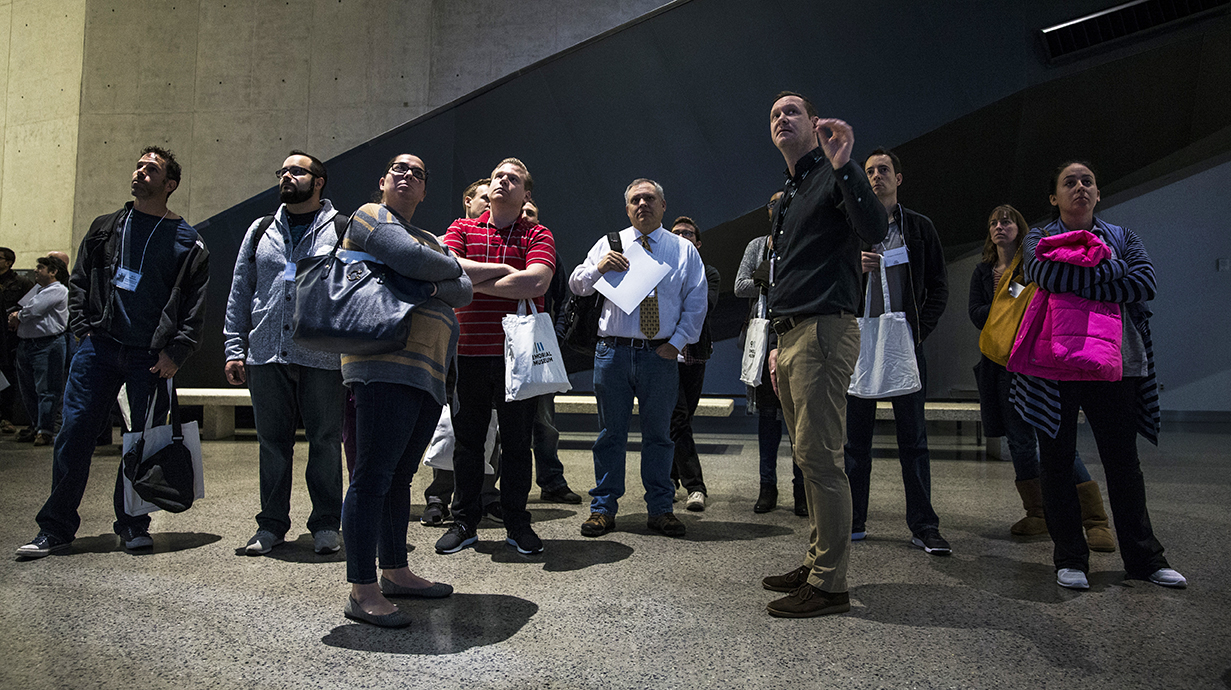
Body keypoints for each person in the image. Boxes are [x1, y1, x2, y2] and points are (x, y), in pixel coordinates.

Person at [15, 146, 210, 558]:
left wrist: (177, 351)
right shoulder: (106, 226)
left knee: (144, 442)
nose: (140, 171)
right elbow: (80, 283)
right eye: (139, 165)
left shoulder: (188, 241)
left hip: (150, 357)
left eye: (151, 168)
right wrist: (84, 333)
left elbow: (195, 306)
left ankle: (134, 524)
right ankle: (56, 527)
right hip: (98, 349)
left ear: (169, 184)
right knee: (73, 434)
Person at [1013, 161, 1185, 591]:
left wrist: (1081, 278)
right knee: (1056, 462)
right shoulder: (1039, 237)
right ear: (1054, 197)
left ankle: (1145, 559)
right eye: (1069, 183)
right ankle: (1070, 558)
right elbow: (1044, 273)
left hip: (1117, 364)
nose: (1080, 188)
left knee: (1123, 463)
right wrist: (1109, 271)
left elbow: (1145, 282)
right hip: (1056, 366)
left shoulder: (1124, 237)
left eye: (1087, 181)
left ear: (1098, 193)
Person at [760, 92, 887, 617]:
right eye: (774, 116)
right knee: (807, 457)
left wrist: (846, 164)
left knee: (822, 459)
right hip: (791, 334)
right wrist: (773, 342)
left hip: (823, 330)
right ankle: (817, 560)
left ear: (814, 125)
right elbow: (782, 275)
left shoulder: (833, 175)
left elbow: (875, 228)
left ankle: (831, 583)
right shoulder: (788, 193)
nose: (782, 119)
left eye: (792, 112)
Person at [340, 154, 471, 628]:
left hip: (426, 372)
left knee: (398, 478)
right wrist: (439, 274)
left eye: (418, 172)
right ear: (383, 180)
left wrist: (430, 282)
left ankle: (396, 571)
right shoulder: (371, 217)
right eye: (398, 168)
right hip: (381, 367)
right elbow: (414, 260)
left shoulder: (432, 238)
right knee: (372, 477)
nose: (408, 175)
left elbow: (463, 292)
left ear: (424, 190)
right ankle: (362, 588)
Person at [223, 150, 347, 556]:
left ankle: (327, 523)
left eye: (297, 171)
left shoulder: (341, 228)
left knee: (325, 441)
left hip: (323, 355)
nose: (288, 176)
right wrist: (233, 347)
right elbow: (241, 289)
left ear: (319, 181)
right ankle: (271, 525)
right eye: (284, 171)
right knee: (272, 444)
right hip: (265, 352)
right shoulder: (260, 229)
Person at [569, 179, 708, 538]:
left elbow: (696, 301)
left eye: (650, 199)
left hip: (659, 355)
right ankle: (603, 508)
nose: (642, 204)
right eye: (635, 200)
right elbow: (577, 285)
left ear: (663, 206)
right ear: (627, 208)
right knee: (609, 434)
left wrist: (676, 344)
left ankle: (660, 508)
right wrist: (599, 267)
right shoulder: (609, 243)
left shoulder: (682, 250)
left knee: (660, 436)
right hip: (612, 352)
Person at [969, 204, 1113, 547]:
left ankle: (1094, 518)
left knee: (1053, 434)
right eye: (993, 222)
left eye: (1005, 221)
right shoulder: (982, 270)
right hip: (999, 363)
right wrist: (1008, 304)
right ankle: (1038, 513)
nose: (999, 227)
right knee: (1018, 440)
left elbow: (1043, 304)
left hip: (1035, 359)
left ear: (1019, 227)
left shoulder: (1032, 264)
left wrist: (1007, 303)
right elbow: (976, 313)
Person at [437, 158, 555, 555]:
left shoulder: (538, 233)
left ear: (526, 194)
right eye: (497, 176)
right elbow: (449, 270)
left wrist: (472, 282)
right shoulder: (462, 227)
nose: (502, 181)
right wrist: (505, 271)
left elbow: (537, 280)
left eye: (513, 178)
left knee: (518, 445)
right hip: (468, 353)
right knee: (467, 445)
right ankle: (465, 520)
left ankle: (517, 522)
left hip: (517, 357)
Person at [843, 148, 951, 554]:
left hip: (905, 342)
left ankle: (924, 525)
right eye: (869, 171)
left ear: (898, 179)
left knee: (914, 440)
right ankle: (853, 521)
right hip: (859, 342)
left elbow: (939, 285)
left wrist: (921, 331)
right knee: (855, 441)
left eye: (883, 170)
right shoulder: (851, 228)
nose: (875, 177)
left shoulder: (919, 228)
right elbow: (834, 280)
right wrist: (858, 266)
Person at [419, 177, 505, 527]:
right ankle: (439, 496)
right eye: (483, 199)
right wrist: (499, 277)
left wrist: (476, 277)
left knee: (492, 428)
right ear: (467, 200)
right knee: (450, 425)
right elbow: (451, 273)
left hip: (496, 346)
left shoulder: (502, 240)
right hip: (453, 347)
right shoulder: (448, 240)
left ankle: (486, 495)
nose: (489, 205)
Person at [735, 191, 805, 515]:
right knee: (768, 419)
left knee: (799, 420)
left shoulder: (802, 241)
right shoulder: (756, 246)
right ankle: (768, 488)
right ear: (767, 212)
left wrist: (775, 281)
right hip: (763, 340)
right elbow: (739, 286)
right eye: (774, 205)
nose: (779, 209)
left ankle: (802, 490)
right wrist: (764, 281)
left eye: (784, 204)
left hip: (796, 335)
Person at [521, 198, 582, 505]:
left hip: (539, 349)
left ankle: (552, 482)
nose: (526, 218)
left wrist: (556, 338)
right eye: (522, 213)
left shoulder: (549, 254)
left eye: (532, 213)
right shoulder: (501, 246)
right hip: (499, 348)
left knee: (544, 422)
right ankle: (492, 490)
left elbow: (564, 301)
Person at [667, 216, 719, 512]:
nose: (682, 236)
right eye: (676, 233)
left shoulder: (708, 272)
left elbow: (707, 305)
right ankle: (695, 486)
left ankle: (670, 478)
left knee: (683, 420)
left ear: (698, 243)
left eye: (688, 233)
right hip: (666, 355)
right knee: (678, 418)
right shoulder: (662, 270)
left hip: (695, 354)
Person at [10, 256, 70, 445]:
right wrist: (18, 315)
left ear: (53, 272)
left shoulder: (58, 290)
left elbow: (32, 310)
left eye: (41, 267)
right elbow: (23, 307)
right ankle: (36, 426)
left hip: (47, 345)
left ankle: (46, 430)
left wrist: (17, 316)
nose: (36, 270)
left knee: (47, 390)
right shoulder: (38, 290)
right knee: (28, 390)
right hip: (26, 345)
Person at [0, 246, 35, 435]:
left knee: (8, 377)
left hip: (10, 338)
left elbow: (30, 307)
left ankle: (6, 417)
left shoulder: (21, 283)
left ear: (8, 262)